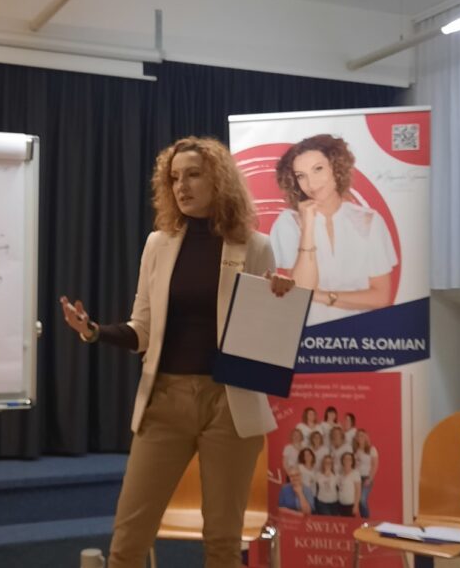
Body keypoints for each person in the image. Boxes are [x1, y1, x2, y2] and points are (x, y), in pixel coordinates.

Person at [59, 136, 296, 568]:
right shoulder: (158, 244)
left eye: (193, 175)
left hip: (230, 405)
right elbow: (142, 330)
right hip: (165, 401)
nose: (181, 186)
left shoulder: (255, 246)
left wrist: (280, 297)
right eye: (174, 178)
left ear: (218, 180)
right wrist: (94, 331)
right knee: (128, 539)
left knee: (222, 543)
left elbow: (262, 338)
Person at [270, 134, 398, 325]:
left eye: (318, 169)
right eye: (301, 176)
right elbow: (302, 290)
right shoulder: (288, 222)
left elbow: (381, 297)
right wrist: (308, 227)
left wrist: (322, 296)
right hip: (308, 333)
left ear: (336, 167)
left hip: (361, 333)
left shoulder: (369, 221)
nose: (311, 184)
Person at [354, 429, 379, 518]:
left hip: (366, 478)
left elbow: (375, 465)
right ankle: (362, 519)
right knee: (357, 501)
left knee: (362, 500)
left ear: (365, 437)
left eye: (362, 435)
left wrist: (370, 478)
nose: (360, 438)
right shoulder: (355, 450)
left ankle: (366, 520)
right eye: (358, 436)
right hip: (356, 478)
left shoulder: (372, 449)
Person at [336, 451, 362, 517]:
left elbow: (358, 491)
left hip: (351, 504)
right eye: (345, 459)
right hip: (340, 504)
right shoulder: (340, 474)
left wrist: (356, 505)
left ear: (352, 461)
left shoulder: (355, 473)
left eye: (349, 459)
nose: (347, 461)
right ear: (342, 461)